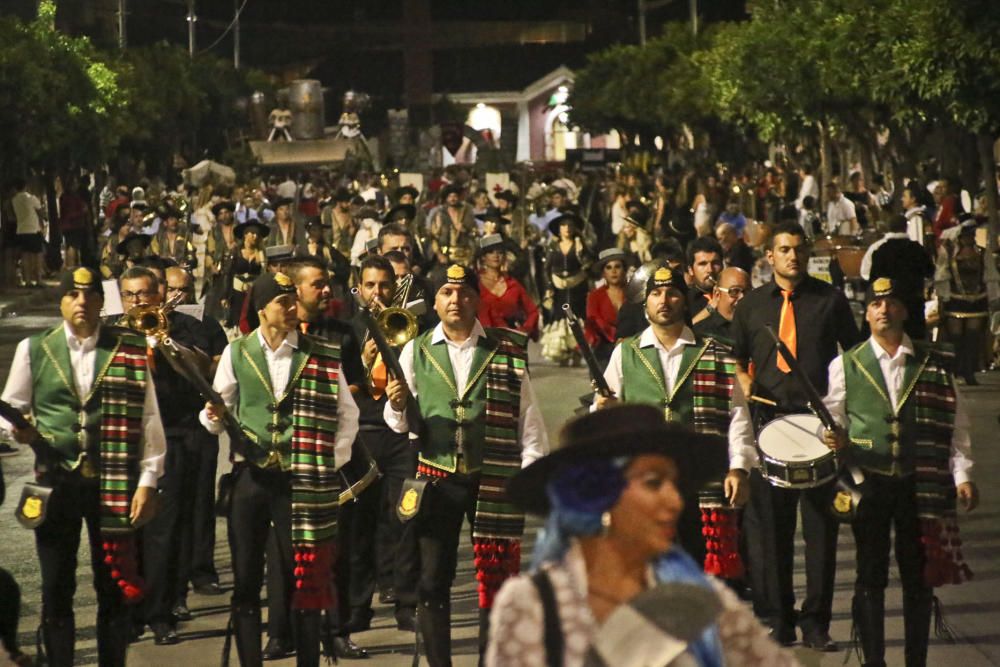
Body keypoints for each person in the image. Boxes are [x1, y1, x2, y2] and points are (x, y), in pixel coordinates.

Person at [487, 405, 797, 667]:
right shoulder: (534, 605)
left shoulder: (703, 600)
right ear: (598, 496)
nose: (675, 500)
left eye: (675, 484)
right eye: (653, 482)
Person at [382, 264, 549, 666]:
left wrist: (529, 470)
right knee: (433, 577)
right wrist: (397, 402)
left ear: (477, 299)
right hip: (436, 478)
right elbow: (398, 423)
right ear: (435, 302)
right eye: (446, 293)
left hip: (492, 476)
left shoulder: (504, 348)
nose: (455, 300)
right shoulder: (416, 349)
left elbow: (527, 416)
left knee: (495, 579)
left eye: (463, 292)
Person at [1, 266, 165, 666]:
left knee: (112, 585)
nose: (81, 303)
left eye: (89, 295)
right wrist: (16, 433)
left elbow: (149, 418)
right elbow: (11, 410)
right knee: (57, 585)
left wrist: (148, 480)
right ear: (61, 301)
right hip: (54, 484)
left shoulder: (127, 347)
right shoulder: (34, 348)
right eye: (73, 295)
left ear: (101, 302)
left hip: (112, 484)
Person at [201, 271, 360, 667]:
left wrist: (330, 460)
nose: (292, 307)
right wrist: (213, 415)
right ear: (261, 309)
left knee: (303, 578)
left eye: (293, 299)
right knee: (246, 579)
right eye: (282, 302)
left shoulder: (319, 352)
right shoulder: (237, 353)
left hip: (300, 480)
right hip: (251, 479)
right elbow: (214, 417)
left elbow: (347, 414)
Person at [821, 277, 978, 667]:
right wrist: (833, 438)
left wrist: (962, 475)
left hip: (918, 482)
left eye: (890, 302)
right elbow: (833, 417)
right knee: (870, 573)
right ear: (867, 313)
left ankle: (916, 660)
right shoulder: (845, 364)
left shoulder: (933, 361)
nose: (883, 310)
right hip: (869, 482)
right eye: (875, 304)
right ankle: (874, 660)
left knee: (919, 574)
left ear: (904, 311)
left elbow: (955, 425)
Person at [730, 221, 861, 649]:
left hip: (817, 426)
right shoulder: (750, 305)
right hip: (768, 427)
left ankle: (816, 623)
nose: (793, 256)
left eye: (799, 249)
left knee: (821, 531)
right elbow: (735, 359)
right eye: (784, 250)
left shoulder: (831, 301)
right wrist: (743, 382)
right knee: (770, 533)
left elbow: (854, 357)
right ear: (769, 257)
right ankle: (776, 620)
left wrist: (842, 418)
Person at [594, 265, 755, 570]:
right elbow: (602, 415)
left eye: (672, 293)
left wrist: (739, 468)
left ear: (685, 300)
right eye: (655, 293)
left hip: (699, 480)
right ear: (646, 304)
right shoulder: (625, 353)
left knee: (701, 571)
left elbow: (737, 415)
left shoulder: (714, 353)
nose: (663, 300)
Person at [117, 266, 209, 645]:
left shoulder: (183, 327)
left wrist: (165, 342)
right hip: (124, 443)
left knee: (164, 531)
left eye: (144, 294)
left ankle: (161, 612)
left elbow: (200, 370)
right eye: (130, 295)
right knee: (125, 531)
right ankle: (130, 611)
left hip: (170, 438)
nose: (138, 301)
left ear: (158, 294)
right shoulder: (114, 334)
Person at [343, 255, 421, 638]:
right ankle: (359, 605)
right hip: (365, 430)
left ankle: (407, 601)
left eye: (385, 285)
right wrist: (363, 358)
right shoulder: (349, 327)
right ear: (360, 286)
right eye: (371, 286)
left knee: (407, 514)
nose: (378, 293)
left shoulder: (410, 323)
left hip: (404, 432)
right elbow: (341, 385)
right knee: (362, 521)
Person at [164, 266, 228, 601]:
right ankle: (169, 583)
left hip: (200, 420)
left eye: (184, 290)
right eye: (171, 289)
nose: (177, 296)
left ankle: (202, 571)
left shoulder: (206, 322)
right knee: (169, 507)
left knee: (201, 500)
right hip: (165, 427)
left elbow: (219, 362)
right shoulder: (151, 321)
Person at [934, 218, 999, 384]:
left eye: (972, 235)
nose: (969, 238)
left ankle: (969, 371)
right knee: (956, 338)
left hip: (978, 302)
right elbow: (942, 277)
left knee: (973, 337)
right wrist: (943, 297)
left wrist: (993, 298)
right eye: (966, 235)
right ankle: (956, 370)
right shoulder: (948, 253)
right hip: (955, 302)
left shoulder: (983, 254)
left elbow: (990, 277)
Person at [862, 214, 935, 339]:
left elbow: (872, 281)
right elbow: (930, 272)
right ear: (906, 227)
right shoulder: (917, 249)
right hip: (913, 305)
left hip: (888, 306)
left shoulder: (880, 251)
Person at [541, 213, 592, 365]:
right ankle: (562, 352)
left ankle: (576, 351)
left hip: (577, 287)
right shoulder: (553, 247)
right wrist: (549, 286)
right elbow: (546, 268)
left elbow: (589, 265)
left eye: (570, 225)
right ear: (559, 229)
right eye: (563, 226)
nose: (567, 228)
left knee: (577, 316)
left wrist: (581, 254)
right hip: (558, 288)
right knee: (560, 316)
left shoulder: (580, 245)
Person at [476, 234, 539, 339]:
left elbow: (533, 311)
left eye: (500, 252)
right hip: (483, 344)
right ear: (483, 257)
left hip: (511, 343)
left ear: (504, 256)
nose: (496, 255)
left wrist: (524, 331)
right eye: (491, 252)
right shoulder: (474, 283)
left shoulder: (513, 284)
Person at [584, 248, 628, 368]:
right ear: (603, 273)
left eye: (617, 266)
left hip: (631, 348)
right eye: (608, 267)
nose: (613, 271)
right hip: (603, 350)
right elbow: (594, 320)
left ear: (625, 270)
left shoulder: (634, 293)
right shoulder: (594, 296)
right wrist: (616, 337)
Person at [225, 220, 268, 328]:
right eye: (252, 233)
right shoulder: (236, 252)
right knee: (237, 318)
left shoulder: (261, 253)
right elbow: (229, 273)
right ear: (245, 235)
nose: (255, 236)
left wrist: (262, 260)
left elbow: (264, 273)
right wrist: (225, 295)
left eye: (257, 234)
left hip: (253, 291)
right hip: (237, 291)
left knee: (252, 318)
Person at [692, 267, 750, 340]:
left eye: (747, 291)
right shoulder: (701, 333)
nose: (742, 297)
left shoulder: (759, 326)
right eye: (734, 291)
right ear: (717, 294)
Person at [11, 178, 46, 287]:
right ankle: (39, 280)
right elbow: (40, 212)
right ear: (26, 186)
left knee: (25, 256)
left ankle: (27, 280)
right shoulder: (31, 198)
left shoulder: (14, 200)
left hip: (21, 230)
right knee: (38, 255)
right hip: (33, 230)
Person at [685, 236, 724, 318]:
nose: (710, 269)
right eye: (703, 264)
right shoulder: (685, 301)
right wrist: (711, 307)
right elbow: (686, 328)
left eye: (715, 263)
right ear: (691, 270)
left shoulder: (732, 293)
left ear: (722, 266)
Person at [150, 205, 197, 271]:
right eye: (171, 219)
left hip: (182, 272)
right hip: (165, 272)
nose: (175, 222)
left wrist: (187, 263)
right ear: (165, 223)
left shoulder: (186, 236)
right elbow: (154, 254)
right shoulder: (158, 237)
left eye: (176, 219)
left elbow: (192, 255)